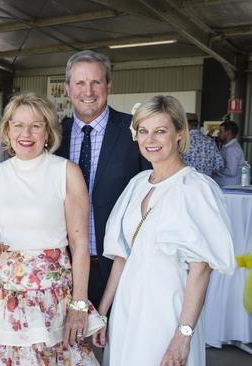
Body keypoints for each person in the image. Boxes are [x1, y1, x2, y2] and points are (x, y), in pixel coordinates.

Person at [0, 94, 105, 365]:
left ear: (48, 131)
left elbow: (80, 245)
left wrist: (79, 304)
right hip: (1, 293)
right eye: (18, 125)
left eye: (36, 125)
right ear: (7, 130)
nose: (26, 133)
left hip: (48, 297)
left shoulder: (66, 171)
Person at [92, 96, 236, 366]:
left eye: (160, 131)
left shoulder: (196, 188)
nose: (150, 140)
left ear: (179, 133)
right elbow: (122, 256)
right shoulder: (137, 185)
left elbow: (201, 269)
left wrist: (184, 333)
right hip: (127, 307)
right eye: (143, 131)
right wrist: (102, 313)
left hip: (168, 308)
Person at [56, 50, 149, 306]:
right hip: (63, 264)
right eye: (80, 83)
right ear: (67, 88)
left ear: (108, 84)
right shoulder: (53, 136)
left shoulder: (136, 130)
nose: (88, 91)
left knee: (116, 344)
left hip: (119, 263)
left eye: (96, 82)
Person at [212, 120, 244, 186]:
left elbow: (231, 172)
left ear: (227, 133)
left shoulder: (232, 149)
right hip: (225, 186)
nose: (218, 133)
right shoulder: (227, 147)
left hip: (228, 188)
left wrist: (215, 170)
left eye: (220, 131)